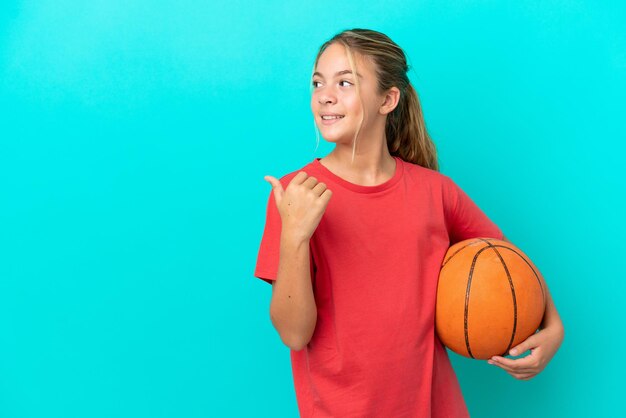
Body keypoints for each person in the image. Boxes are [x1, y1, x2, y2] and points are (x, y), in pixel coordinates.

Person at [254, 28, 564, 418]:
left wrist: (553, 328)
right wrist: (295, 237)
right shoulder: (295, 194)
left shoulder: (435, 192)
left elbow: (507, 262)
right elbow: (294, 334)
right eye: (318, 82)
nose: (325, 95)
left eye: (345, 82)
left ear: (388, 99)